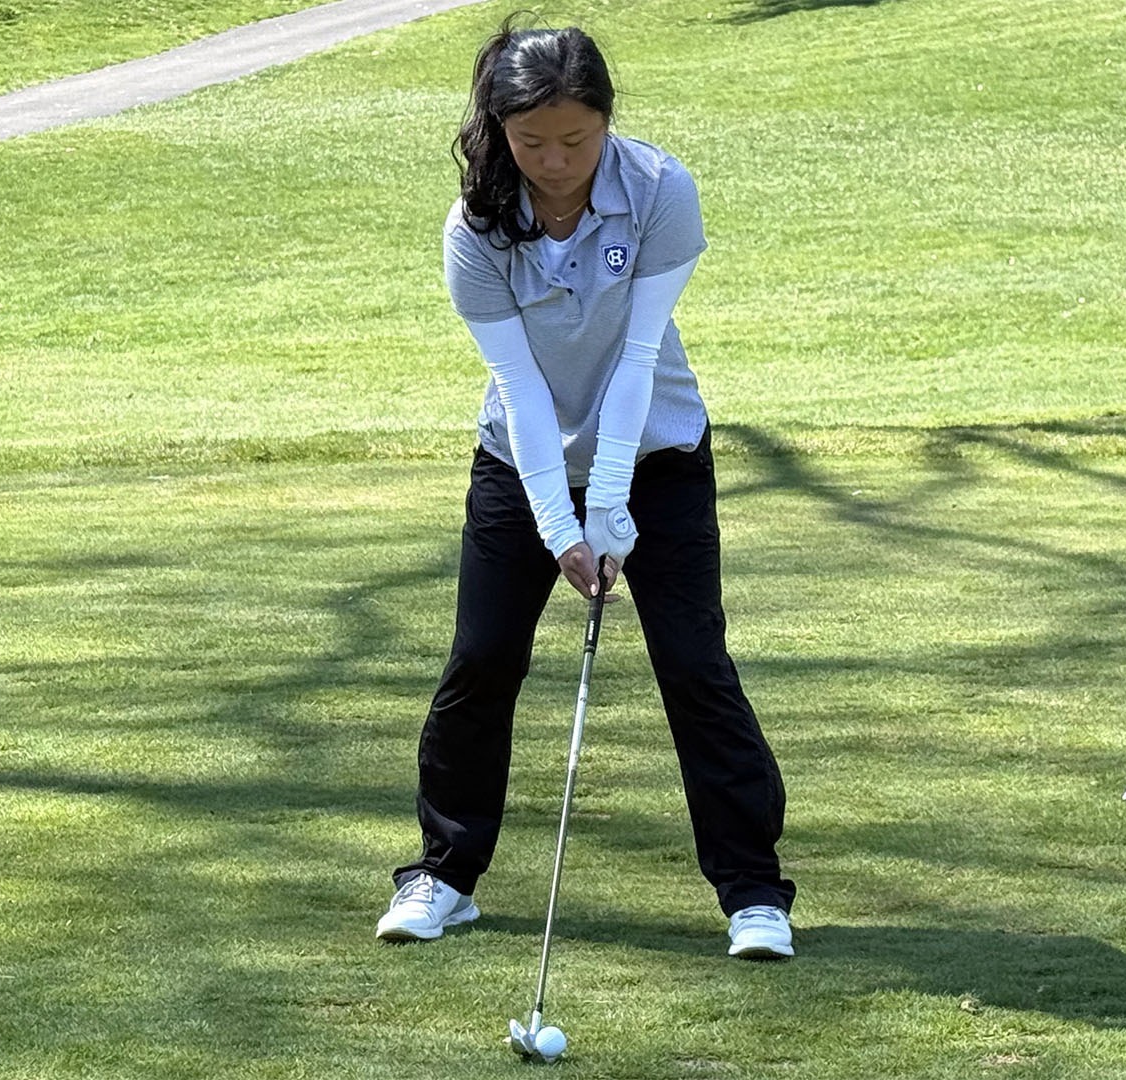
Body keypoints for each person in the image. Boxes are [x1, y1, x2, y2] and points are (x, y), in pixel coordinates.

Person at [376, 18, 796, 959]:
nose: (556, 161)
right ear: (497, 130)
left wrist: (609, 506)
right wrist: (562, 523)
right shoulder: (476, 223)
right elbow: (522, 387)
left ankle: (754, 894)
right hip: (520, 462)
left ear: (607, 121)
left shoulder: (659, 191)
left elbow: (639, 356)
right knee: (482, 661)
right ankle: (443, 875)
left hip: (659, 455)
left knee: (694, 664)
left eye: (576, 139)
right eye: (532, 143)